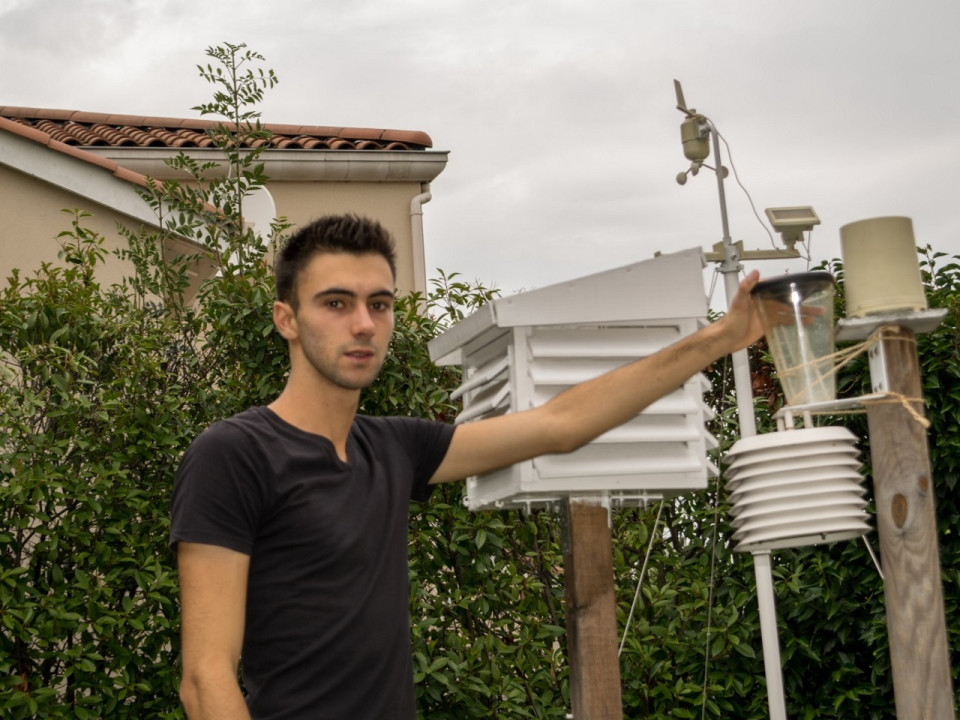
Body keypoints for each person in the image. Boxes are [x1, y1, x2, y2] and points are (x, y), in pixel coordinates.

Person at [170, 214, 763, 720]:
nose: (363, 325)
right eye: (336, 303)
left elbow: (562, 424)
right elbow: (204, 677)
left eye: (379, 304)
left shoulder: (394, 448)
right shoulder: (235, 454)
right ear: (287, 320)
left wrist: (717, 339)